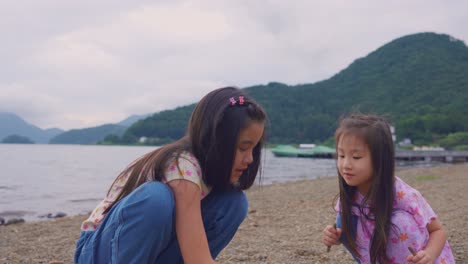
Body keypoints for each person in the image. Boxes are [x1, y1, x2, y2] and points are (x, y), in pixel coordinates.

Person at [74, 87, 267, 263]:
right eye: (243, 148)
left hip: (149, 249)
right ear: (215, 140)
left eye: (254, 149)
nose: (250, 159)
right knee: (156, 198)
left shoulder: (210, 173)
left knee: (233, 202)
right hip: (97, 252)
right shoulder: (183, 169)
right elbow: (197, 259)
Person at [322, 114, 454, 264]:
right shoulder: (349, 196)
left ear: (380, 159)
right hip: (377, 254)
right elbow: (348, 234)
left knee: (399, 223)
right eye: (341, 155)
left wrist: (429, 255)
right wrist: (335, 237)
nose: (346, 164)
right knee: (343, 218)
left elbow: (438, 231)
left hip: (419, 259)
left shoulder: (403, 194)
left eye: (356, 157)